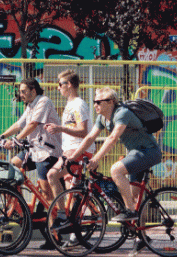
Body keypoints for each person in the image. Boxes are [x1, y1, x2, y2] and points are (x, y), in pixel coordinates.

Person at [69, 88, 161, 224]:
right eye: (94, 102)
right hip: (135, 153)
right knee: (134, 196)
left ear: (111, 102)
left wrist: (96, 159)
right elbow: (90, 138)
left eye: (99, 102)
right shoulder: (102, 118)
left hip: (149, 151)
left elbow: (112, 138)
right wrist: (72, 158)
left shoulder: (122, 113)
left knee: (116, 170)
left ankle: (130, 211)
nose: (95, 105)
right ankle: (141, 237)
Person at [0, 77, 61, 205]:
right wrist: (1, 137)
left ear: (33, 90)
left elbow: (32, 124)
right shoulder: (31, 105)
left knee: (46, 192)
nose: (21, 95)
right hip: (33, 150)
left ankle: (54, 223)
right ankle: (20, 207)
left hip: (46, 152)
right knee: (11, 166)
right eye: (20, 92)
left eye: (23, 91)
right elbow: (18, 124)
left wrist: (15, 141)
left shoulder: (44, 101)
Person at [45, 69, 95, 197]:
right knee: (71, 194)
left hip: (77, 151)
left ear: (70, 84)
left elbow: (83, 131)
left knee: (52, 175)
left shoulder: (78, 105)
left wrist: (60, 128)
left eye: (60, 84)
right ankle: (81, 215)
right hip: (70, 150)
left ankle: (61, 215)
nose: (58, 88)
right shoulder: (70, 104)